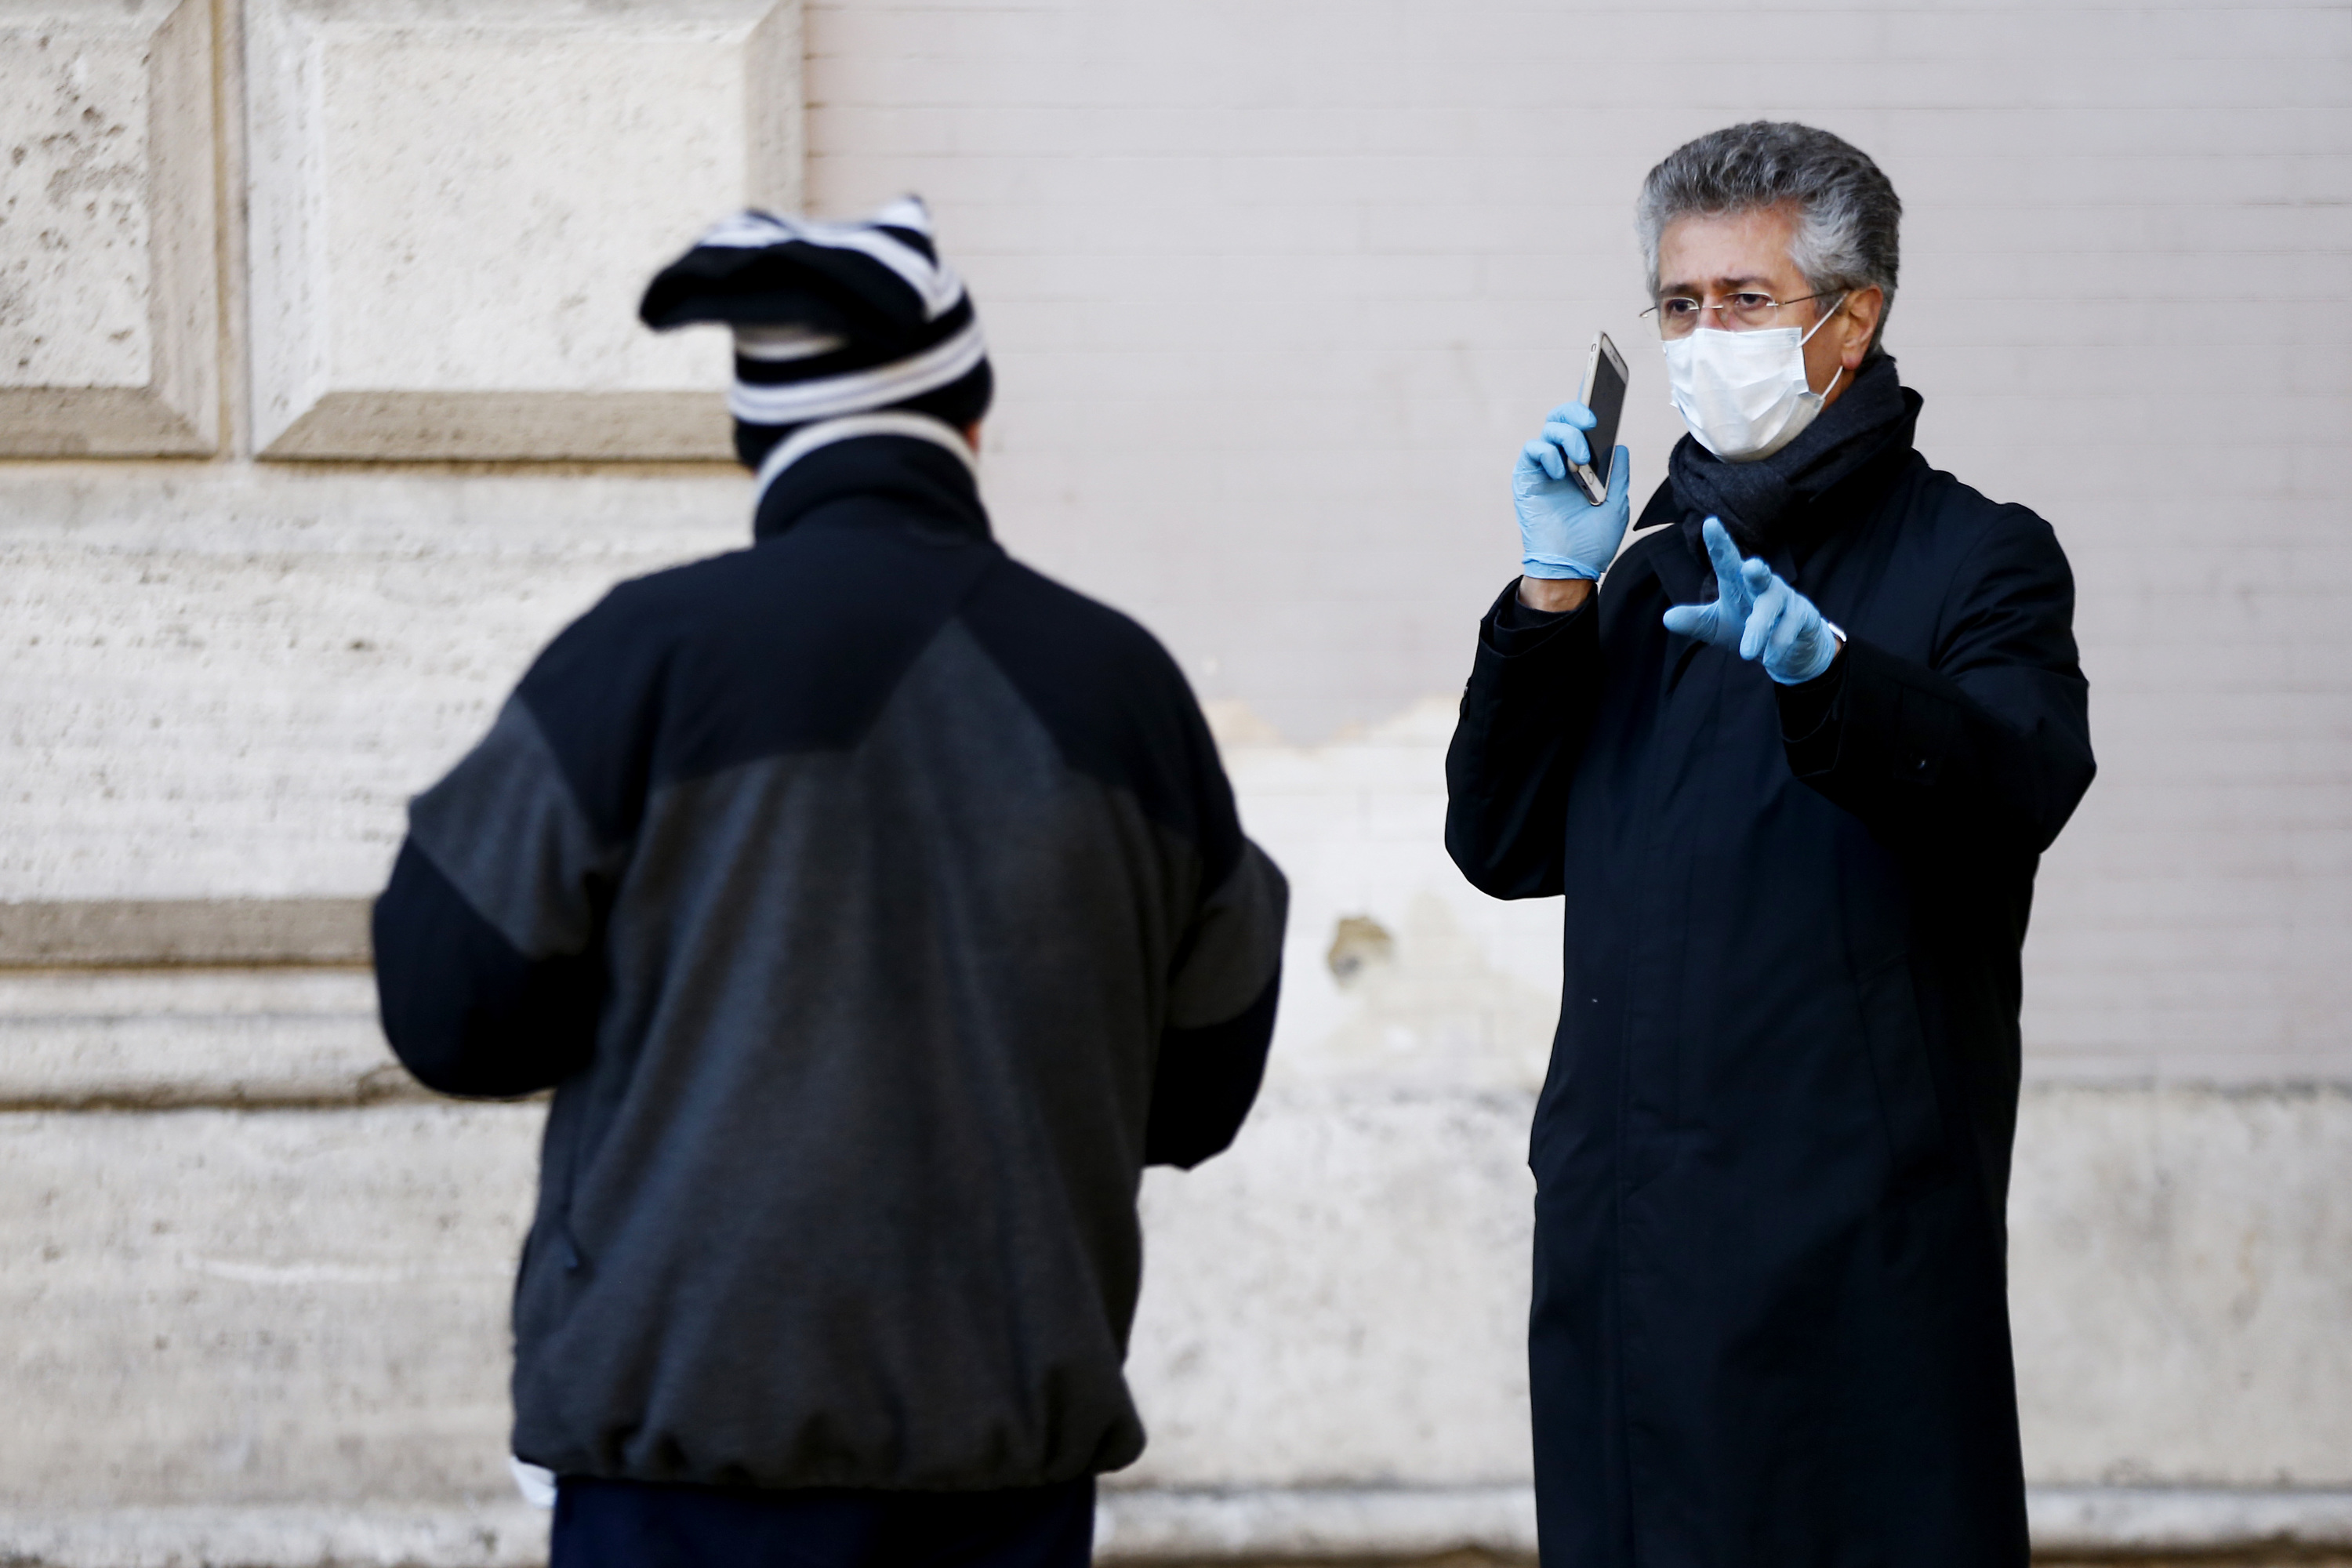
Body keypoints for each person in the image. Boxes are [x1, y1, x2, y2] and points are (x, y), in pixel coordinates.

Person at [371, 197, 1289, 1568]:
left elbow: (451, 1015)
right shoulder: (1125, 690)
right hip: (1005, 1475)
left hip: (678, 1460)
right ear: (967, 427)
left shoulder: (641, 658)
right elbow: (1200, 1090)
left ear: (759, 441)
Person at [1445, 123, 2096, 1566]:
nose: (1702, 337)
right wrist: (1553, 597)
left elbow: (2018, 784)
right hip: (1625, 1243)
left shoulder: (1979, 558)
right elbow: (1499, 838)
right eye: (1679, 306)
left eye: (1746, 301)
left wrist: (1834, 683)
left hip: (1845, 1250)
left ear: (1852, 320)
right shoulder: (1647, 572)